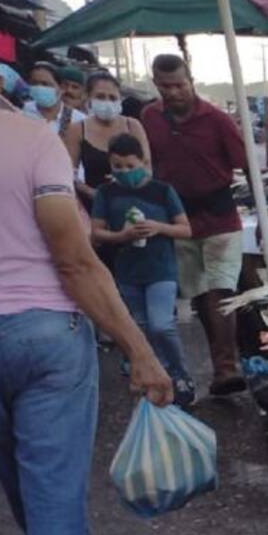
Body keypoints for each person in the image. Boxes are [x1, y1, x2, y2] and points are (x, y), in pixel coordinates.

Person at [0, 36, 173, 535]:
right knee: (54, 492)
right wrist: (139, 351)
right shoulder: (29, 139)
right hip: (46, 336)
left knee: (27, 488)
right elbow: (75, 258)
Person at [141, 53, 247, 396]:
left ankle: (227, 367)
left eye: (179, 85)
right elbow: (148, 163)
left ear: (191, 82)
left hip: (219, 213)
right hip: (178, 216)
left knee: (221, 290)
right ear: (156, 84)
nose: (173, 92)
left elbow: (245, 162)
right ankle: (220, 364)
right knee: (199, 293)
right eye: (165, 86)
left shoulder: (216, 119)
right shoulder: (149, 118)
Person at [91, 133, 196, 407]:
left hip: (161, 269)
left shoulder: (162, 191)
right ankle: (155, 377)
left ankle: (179, 372)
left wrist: (159, 227)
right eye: (117, 167)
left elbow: (185, 228)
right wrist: (122, 236)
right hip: (128, 273)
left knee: (162, 325)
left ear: (143, 161)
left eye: (129, 166)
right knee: (141, 327)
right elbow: (97, 233)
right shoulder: (106, 193)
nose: (124, 172)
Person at [63, 71, 150, 210]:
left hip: (134, 203)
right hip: (94, 205)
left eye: (112, 98)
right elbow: (68, 173)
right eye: (100, 97)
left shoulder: (133, 126)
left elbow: (147, 167)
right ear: (88, 97)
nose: (107, 102)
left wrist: (132, 186)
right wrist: (92, 193)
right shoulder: (77, 129)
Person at [22, 61, 84, 135]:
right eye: (34, 83)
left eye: (45, 84)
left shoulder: (78, 120)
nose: (39, 87)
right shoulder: (22, 110)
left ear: (61, 88)